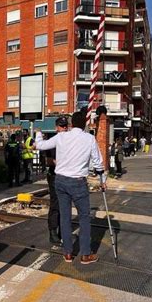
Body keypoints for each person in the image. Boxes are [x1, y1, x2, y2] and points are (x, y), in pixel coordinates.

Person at [35, 112, 106, 265]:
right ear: (85, 124)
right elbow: (98, 162)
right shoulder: (89, 138)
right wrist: (102, 180)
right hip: (78, 182)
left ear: (71, 124)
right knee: (84, 218)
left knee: (65, 217)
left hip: (60, 181)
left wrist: (38, 134)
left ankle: (68, 253)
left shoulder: (61, 137)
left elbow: (40, 146)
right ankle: (85, 255)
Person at [45, 116, 68, 245]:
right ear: (56, 128)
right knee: (56, 204)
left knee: (64, 205)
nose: (64, 128)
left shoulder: (69, 141)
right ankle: (53, 233)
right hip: (54, 176)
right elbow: (49, 161)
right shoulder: (52, 142)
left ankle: (62, 231)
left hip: (65, 176)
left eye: (65, 126)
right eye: (61, 126)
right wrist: (62, 163)